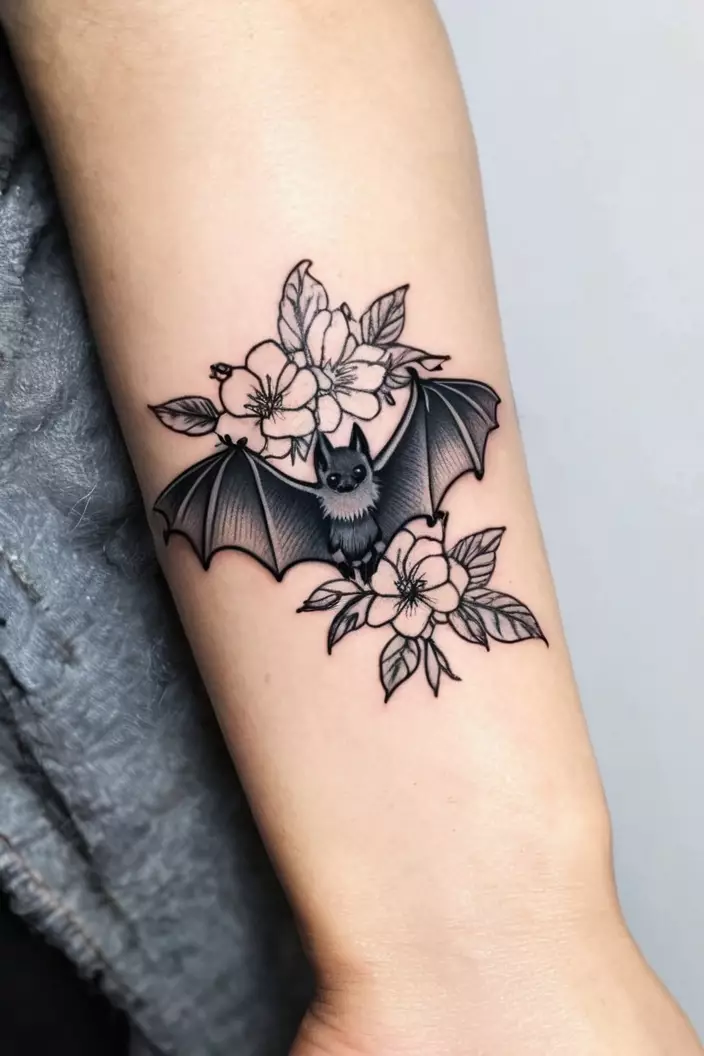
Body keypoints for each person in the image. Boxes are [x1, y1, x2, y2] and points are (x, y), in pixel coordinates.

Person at [1, 2, 700, 1053]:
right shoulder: (265, 487)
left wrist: (479, 937)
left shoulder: (400, 436)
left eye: (339, 446)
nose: (330, 453)